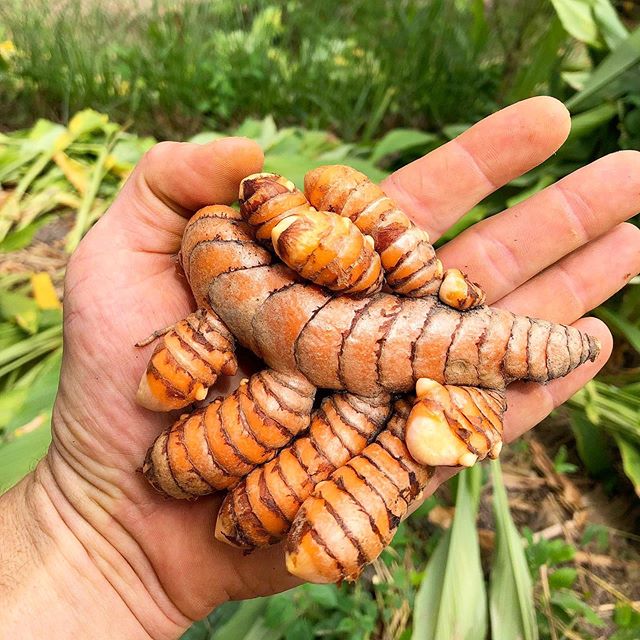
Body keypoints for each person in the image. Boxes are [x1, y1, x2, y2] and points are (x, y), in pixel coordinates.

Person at [1, 97, 639, 639]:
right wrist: (86, 522)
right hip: (325, 384)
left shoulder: (235, 266)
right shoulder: (267, 351)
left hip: (356, 375)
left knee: (497, 355)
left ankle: (544, 347)